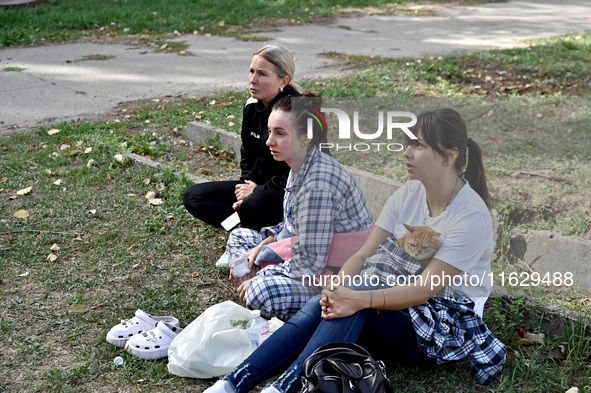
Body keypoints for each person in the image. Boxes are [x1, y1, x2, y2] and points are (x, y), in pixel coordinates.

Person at [205, 108, 508, 393]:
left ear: (449, 156)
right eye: (408, 143)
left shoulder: (470, 216)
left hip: (440, 322)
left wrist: (356, 296)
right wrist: (338, 285)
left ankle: (284, 386)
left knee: (353, 302)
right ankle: (233, 383)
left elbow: (423, 291)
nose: (407, 152)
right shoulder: (411, 192)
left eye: (418, 145)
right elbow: (364, 254)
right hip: (391, 296)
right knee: (336, 298)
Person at [226, 93, 373, 320]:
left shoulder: (317, 184)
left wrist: (262, 273)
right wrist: (262, 247)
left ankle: (251, 285)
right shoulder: (299, 164)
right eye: (270, 130)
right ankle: (252, 279)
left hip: (337, 273)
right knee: (240, 238)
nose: (268, 141)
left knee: (261, 292)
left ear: (306, 137)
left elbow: (310, 263)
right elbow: (291, 225)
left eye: (280, 133)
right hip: (308, 252)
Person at [183, 45, 301, 232]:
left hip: (291, 193)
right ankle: (245, 227)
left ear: (283, 80)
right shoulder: (252, 106)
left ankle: (247, 224)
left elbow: (300, 174)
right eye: (251, 71)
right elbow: (247, 153)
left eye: (262, 74)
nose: (253, 80)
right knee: (193, 196)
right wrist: (245, 187)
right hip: (256, 190)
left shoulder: (298, 112)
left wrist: (257, 191)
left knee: (254, 202)